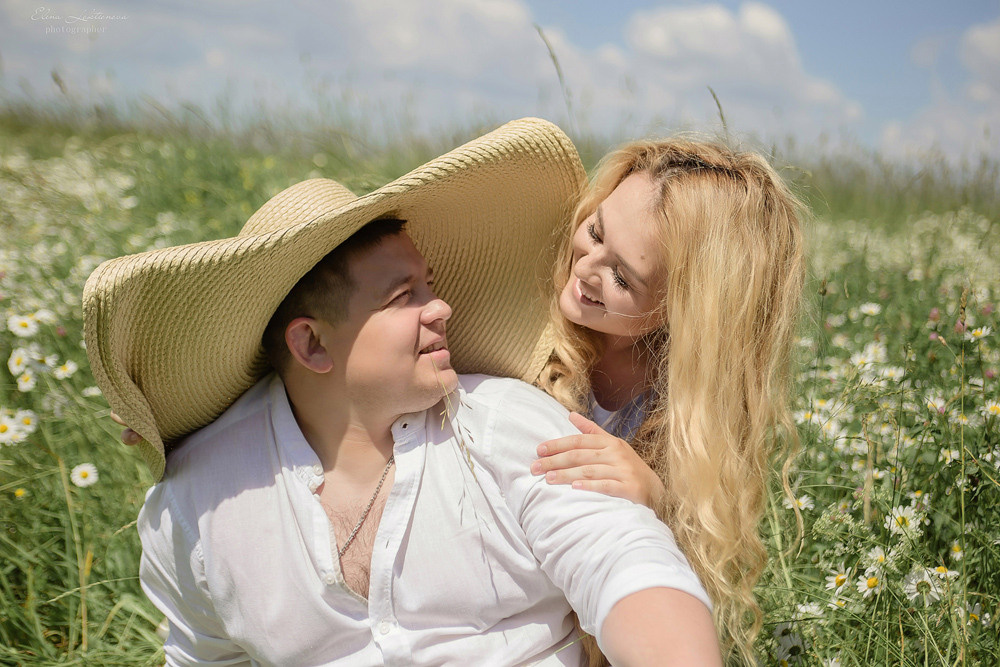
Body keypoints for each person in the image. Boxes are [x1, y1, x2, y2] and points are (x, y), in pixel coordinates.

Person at [89, 119, 721, 665]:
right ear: (311, 346)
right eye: (403, 297)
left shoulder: (505, 421)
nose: (441, 306)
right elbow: (203, 656)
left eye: (428, 283)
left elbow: (624, 564)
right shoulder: (198, 502)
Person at [531, 139, 805, 665]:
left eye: (622, 277)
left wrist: (654, 500)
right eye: (595, 232)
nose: (587, 268)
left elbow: (679, 575)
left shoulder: (684, 415)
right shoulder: (523, 334)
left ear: (687, 311)